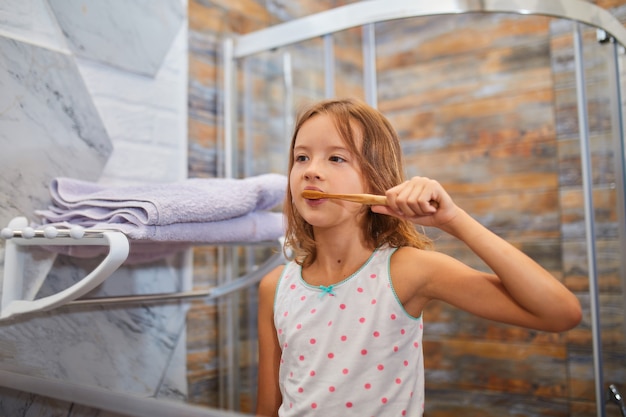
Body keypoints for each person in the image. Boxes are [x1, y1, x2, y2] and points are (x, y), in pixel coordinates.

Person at [255, 98, 581, 417]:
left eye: (336, 158)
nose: (311, 171)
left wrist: (453, 220)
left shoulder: (406, 271)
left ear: (375, 177)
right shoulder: (275, 286)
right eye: (301, 158)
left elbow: (559, 313)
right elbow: (268, 408)